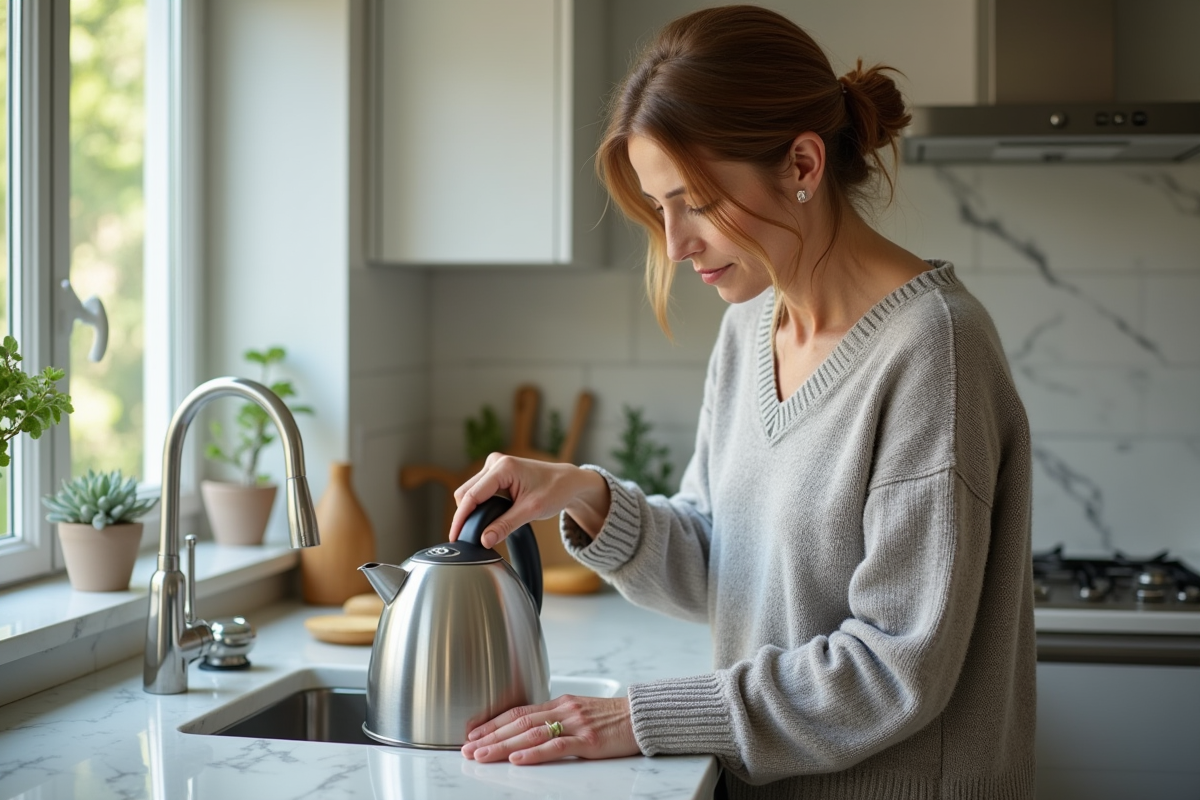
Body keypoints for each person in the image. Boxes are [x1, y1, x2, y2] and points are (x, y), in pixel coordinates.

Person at [451, 5, 1036, 798]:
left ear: (801, 165)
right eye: (661, 207)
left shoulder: (935, 350)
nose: (675, 241)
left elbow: (893, 667)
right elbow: (721, 567)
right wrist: (587, 496)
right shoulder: (751, 327)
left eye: (694, 199)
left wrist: (635, 718)